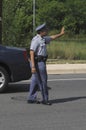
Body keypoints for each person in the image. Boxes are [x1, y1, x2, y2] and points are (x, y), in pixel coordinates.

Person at [27, 23, 65, 105]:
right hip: (38, 63)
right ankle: (45, 99)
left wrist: (61, 34)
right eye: (45, 30)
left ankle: (31, 98)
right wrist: (33, 66)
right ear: (41, 31)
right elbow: (31, 52)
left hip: (40, 62)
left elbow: (52, 37)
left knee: (35, 80)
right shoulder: (36, 40)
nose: (47, 30)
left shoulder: (43, 38)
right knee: (42, 81)